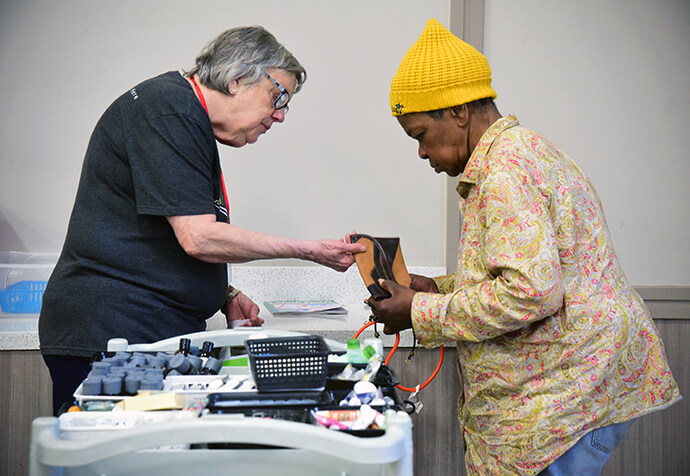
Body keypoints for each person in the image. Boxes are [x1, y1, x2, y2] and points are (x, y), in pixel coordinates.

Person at [367, 19, 681, 475]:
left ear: (458, 112)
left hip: (564, 398)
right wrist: (436, 287)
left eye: (419, 135)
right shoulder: (522, 151)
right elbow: (524, 271)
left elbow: (532, 291)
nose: (420, 152)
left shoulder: (505, 170)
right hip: (574, 383)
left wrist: (419, 310)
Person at [39, 25, 365, 415]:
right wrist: (308, 250)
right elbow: (198, 237)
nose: (280, 115)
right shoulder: (168, 110)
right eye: (278, 95)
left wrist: (220, 293)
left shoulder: (181, 116)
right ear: (236, 79)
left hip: (133, 330)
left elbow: (160, 233)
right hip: (111, 337)